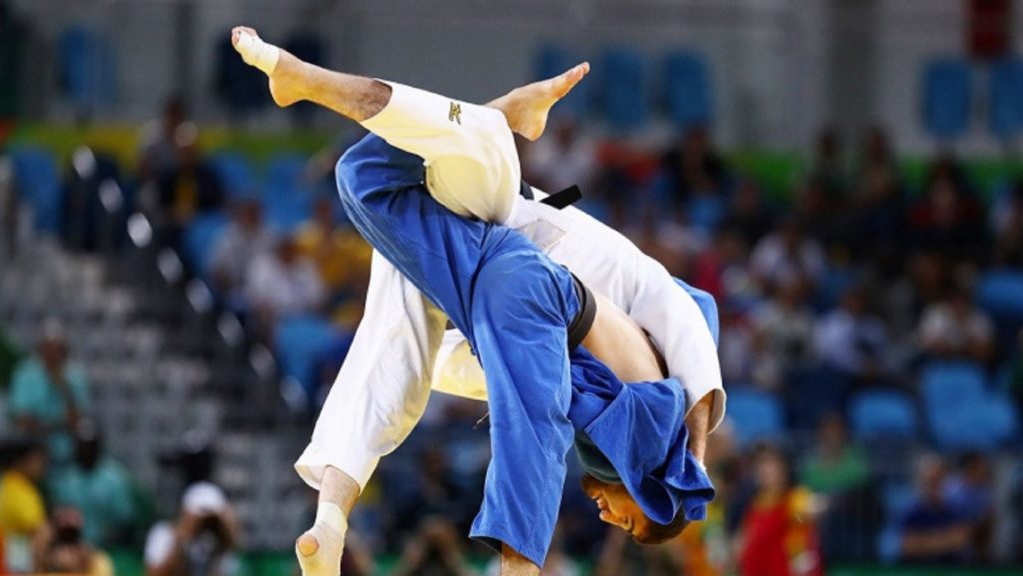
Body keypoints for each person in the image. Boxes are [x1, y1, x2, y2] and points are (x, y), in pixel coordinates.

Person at [232, 27, 721, 575]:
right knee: (521, 412)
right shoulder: (659, 423)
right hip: (530, 260)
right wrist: (695, 460)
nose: (609, 520)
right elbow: (694, 331)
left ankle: (330, 518)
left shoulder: (621, 405)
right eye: (630, 522)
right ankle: (513, 564)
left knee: (364, 185)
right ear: (653, 494)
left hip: (490, 290)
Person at [9, 320, 90, 468]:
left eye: (57, 350)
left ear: (65, 352)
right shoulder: (25, 374)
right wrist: (58, 425)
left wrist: (64, 388)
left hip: (65, 453)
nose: (52, 355)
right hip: (31, 452)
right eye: (48, 349)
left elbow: (77, 421)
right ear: (41, 349)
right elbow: (22, 421)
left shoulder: (75, 377)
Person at [735, 443, 822, 576]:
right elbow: (742, 543)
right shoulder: (754, 504)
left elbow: (808, 521)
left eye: (772, 463)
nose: (765, 469)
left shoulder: (796, 498)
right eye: (760, 464)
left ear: (785, 467)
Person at [48, 421, 137, 548]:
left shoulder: (114, 478)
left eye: (90, 445)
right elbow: (58, 517)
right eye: (83, 445)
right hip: (72, 547)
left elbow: (125, 522)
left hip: (108, 547)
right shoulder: (65, 478)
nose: (86, 450)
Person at [143, 482, 241, 576]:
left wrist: (227, 531)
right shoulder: (165, 533)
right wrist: (181, 540)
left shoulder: (216, 542)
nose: (206, 523)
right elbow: (154, 573)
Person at [898, 454, 972, 564]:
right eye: (930, 481)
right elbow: (908, 546)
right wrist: (946, 539)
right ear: (922, 482)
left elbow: (961, 540)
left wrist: (923, 542)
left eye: (938, 480)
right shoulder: (910, 512)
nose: (934, 485)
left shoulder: (957, 510)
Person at [0, 438, 47, 573]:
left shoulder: (5, 485)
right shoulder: (21, 492)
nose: (42, 465)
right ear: (19, 462)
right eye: (36, 459)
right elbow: (40, 534)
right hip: (17, 566)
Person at [32, 507, 114, 576]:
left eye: (72, 540)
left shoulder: (97, 561)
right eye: (63, 540)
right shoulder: (40, 559)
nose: (66, 550)